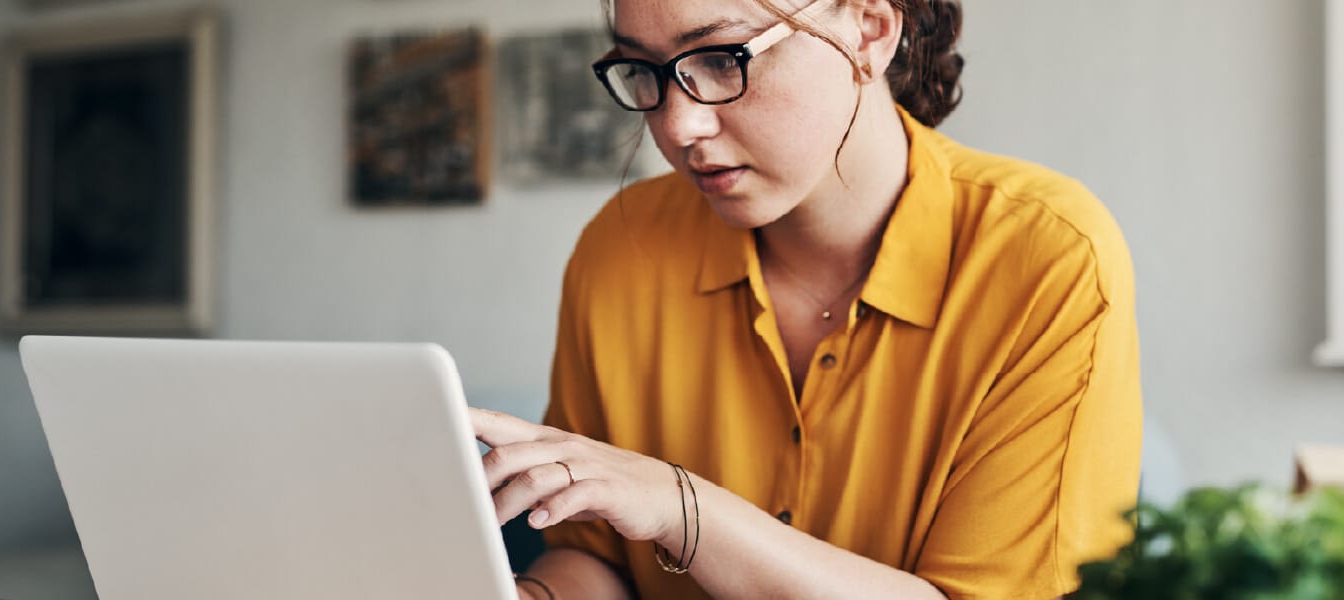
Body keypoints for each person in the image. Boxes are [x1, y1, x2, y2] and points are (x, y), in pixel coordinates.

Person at [468, 0, 1142, 597]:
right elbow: (596, 559)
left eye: (722, 58)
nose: (678, 128)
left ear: (869, 33)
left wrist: (681, 507)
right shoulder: (621, 247)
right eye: (644, 70)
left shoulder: (1048, 255)